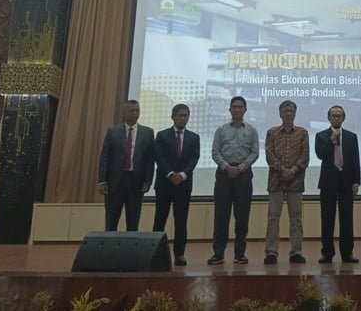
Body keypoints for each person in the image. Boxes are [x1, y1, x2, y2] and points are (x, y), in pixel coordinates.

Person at [208, 96, 259, 265]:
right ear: (230, 109)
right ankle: (218, 253)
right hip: (224, 174)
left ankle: (240, 253)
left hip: (243, 175)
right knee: (221, 215)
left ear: (245, 110)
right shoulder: (221, 129)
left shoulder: (252, 130)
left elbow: (255, 153)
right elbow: (215, 151)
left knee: (242, 215)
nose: (237, 109)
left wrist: (240, 168)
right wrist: (226, 167)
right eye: (234, 107)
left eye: (240, 107)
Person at [152, 104, 200, 266]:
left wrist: (183, 175)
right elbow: (159, 157)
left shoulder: (194, 137)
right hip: (164, 183)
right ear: (173, 117)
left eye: (186, 115)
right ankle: (156, 253)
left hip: (184, 185)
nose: (183, 118)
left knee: (181, 221)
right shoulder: (162, 135)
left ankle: (179, 254)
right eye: (180, 115)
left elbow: (194, 159)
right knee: (160, 219)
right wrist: (171, 174)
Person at [263, 100, 310, 265]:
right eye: (285, 111)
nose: (289, 113)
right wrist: (282, 169)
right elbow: (269, 155)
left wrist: (293, 170)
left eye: (291, 111)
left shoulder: (303, 133)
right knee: (273, 218)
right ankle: (271, 252)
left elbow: (305, 156)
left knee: (296, 218)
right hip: (275, 181)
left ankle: (296, 252)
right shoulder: (272, 132)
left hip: (296, 182)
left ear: (295, 113)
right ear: (280, 113)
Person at [98, 100, 155, 231]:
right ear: (124, 112)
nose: (135, 113)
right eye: (131, 110)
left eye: (137, 110)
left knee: (133, 220)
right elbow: (105, 157)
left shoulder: (148, 132)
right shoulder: (113, 131)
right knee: (111, 219)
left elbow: (150, 159)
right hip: (115, 181)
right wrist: (102, 180)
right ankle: (110, 244)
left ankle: (131, 244)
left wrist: (148, 181)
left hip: (136, 182)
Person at [315, 105, 361, 264]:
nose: (336, 118)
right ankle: (327, 252)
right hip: (328, 183)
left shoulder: (351, 137)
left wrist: (356, 181)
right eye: (333, 116)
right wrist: (332, 140)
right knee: (327, 219)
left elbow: (355, 160)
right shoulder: (321, 136)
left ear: (343, 118)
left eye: (339, 115)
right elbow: (321, 154)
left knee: (346, 219)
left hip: (347, 183)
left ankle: (347, 253)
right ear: (328, 118)